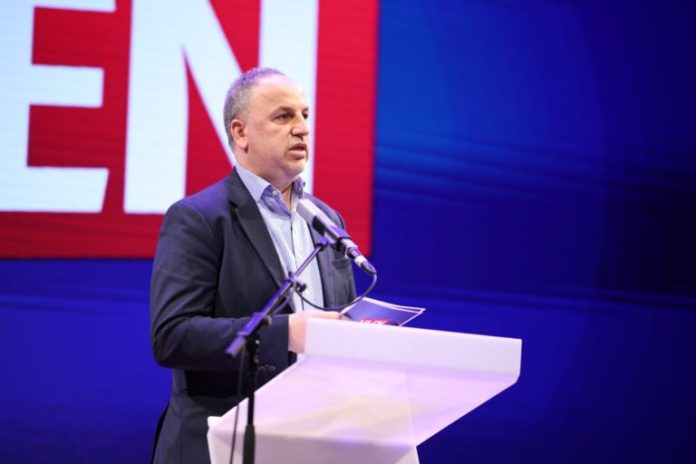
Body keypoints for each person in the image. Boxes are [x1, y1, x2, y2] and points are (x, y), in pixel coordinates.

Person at [149, 67, 357, 464]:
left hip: (311, 441)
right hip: (221, 444)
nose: (302, 129)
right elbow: (172, 337)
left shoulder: (328, 221)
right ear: (240, 132)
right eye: (283, 116)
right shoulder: (199, 218)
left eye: (304, 115)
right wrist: (286, 333)